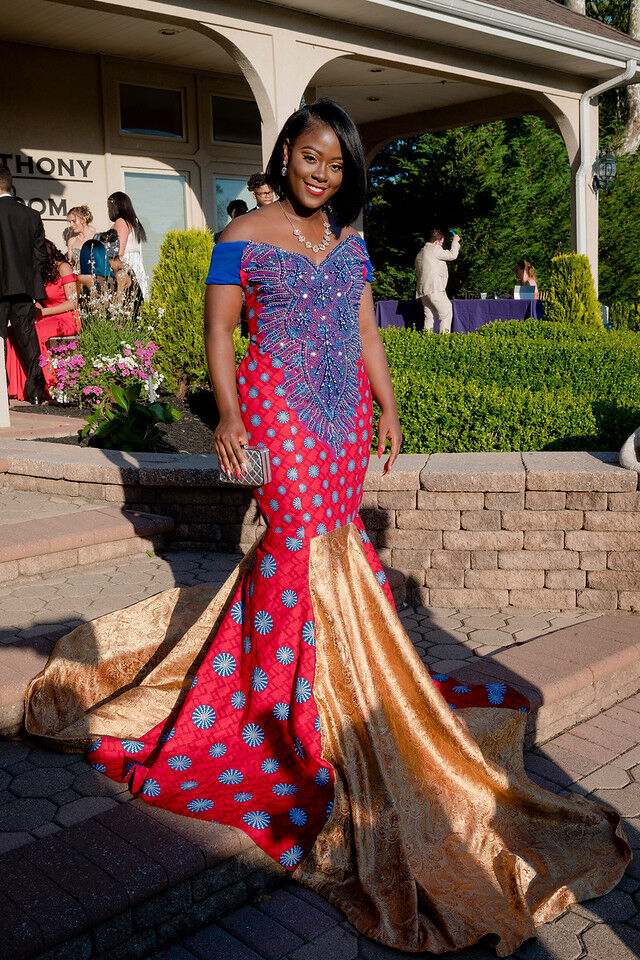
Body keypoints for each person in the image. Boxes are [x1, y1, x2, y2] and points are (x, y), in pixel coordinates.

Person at [25, 100, 630, 957]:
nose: (322, 173)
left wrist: (386, 403)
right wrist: (230, 418)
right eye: (311, 157)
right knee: (292, 548)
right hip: (277, 416)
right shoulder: (246, 233)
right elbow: (220, 332)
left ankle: (324, 679)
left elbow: (362, 330)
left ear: (347, 173)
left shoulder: (348, 241)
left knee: (326, 552)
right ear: (287, 153)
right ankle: (277, 704)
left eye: (337, 164)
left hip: (343, 421)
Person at [6, 240, 80, 400]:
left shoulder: (63, 267)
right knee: (14, 332)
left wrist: (43, 312)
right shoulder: (42, 272)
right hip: (47, 317)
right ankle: (21, 387)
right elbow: (40, 300)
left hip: (66, 318)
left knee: (35, 332)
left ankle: (48, 386)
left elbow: (73, 302)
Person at [0, 163, 47, 404]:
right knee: (28, 338)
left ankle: (1, 395)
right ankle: (36, 392)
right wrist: (30, 280)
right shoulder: (31, 215)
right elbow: (40, 255)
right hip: (24, 287)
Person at [415, 227, 460, 332]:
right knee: (446, 312)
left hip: (423, 291)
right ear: (436, 241)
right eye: (441, 242)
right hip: (434, 288)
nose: (442, 245)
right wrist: (455, 241)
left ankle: (427, 341)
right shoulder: (435, 249)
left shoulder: (420, 253)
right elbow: (452, 255)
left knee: (429, 316)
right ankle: (443, 342)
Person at [106, 191, 149, 300]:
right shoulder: (133, 222)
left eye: (109, 207)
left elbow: (119, 248)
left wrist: (117, 268)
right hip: (135, 263)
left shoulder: (121, 222)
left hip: (124, 263)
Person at [65, 205, 94, 272]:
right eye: (70, 222)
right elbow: (71, 265)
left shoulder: (96, 237)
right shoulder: (71, 241)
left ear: (83, 219)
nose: (71, 225)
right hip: (78, 279)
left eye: (74, 221)